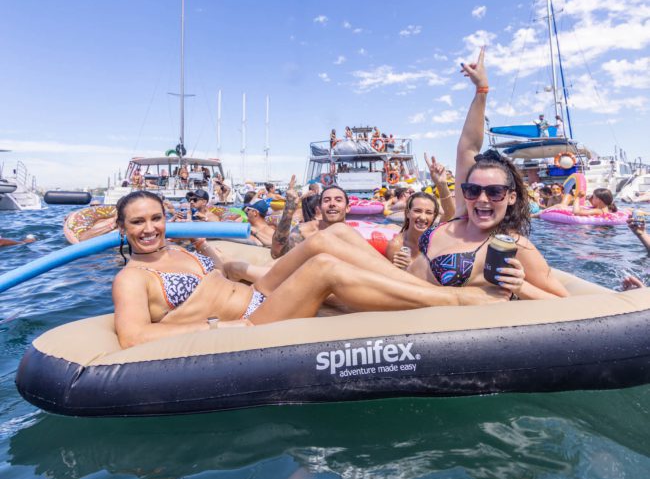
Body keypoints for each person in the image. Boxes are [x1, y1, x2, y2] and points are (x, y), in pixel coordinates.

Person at [112, 191, 511, 348]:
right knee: (323, 266)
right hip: (252, 319)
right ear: (122, 228)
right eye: (137, 222)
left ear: (167, 218)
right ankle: (454, 298)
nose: (149, 229)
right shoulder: (132, 277)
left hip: (260, 294)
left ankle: (411, 284)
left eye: (155, 218)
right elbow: (133, 337)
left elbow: (219, 277)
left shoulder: (181, 250)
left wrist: (222, 259)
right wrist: (219, 329)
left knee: (328, 236)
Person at [406, 47, 568, 299]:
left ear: (511, 197)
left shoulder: (513, 244)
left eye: (494, 192)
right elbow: (467, 147)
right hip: (399, 289)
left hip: (421, 314)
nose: (481, 199)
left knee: (330, 266)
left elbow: (564, 302)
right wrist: (481, 90)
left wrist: (521, 287)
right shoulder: (462, 214)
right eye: (473, 190)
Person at [386, 155, 455, 268]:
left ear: (434, 216)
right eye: (418, 211)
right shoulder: (396, 246)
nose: (423, 217)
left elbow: (449, 214)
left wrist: (441, 184)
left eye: (428, 212)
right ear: (408, 213)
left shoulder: (435, 238)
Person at [271, 175, 349, 258]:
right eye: (326, 200)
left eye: (338, 200)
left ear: (347, 208)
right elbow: (277, 254)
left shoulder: (353, 236)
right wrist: (288, 211)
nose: (332, 204)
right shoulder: (305, 231)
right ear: (319, 207)